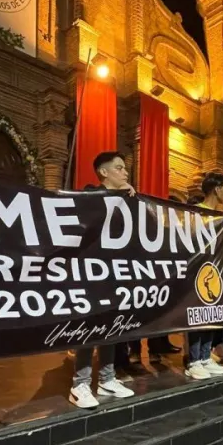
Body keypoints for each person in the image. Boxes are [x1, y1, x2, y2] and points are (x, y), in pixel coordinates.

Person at [69, 153, 138, 408]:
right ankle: (80, 384)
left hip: (115, 274)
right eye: (119, 168)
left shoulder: (125, 201)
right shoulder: (91, 195)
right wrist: (117, 195)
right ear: (104, 172)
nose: (125, 173)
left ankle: (107, 378)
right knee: (90, 327)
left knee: (111, 326)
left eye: (125, 168)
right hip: (92, 275)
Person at [185, 192, 223, 380]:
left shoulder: (217, 215)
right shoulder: (197, 212)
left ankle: (205, 357)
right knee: (197, 318)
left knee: (211, 315)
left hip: (214, 270)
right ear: (216, 189)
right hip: (197, 271)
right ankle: (193, 361)